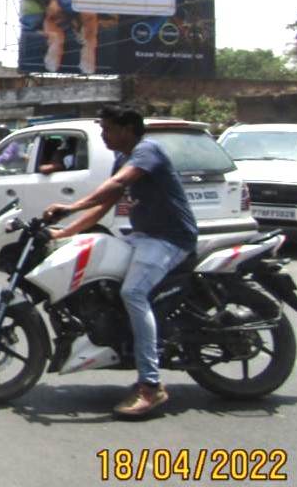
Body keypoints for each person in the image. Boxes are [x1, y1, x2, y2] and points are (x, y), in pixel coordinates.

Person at [43, 105, 197, 417]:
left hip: (170, 239)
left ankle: (151, 386)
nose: (103, 136)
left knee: (133, 293)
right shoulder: (123, 157)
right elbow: (106, 205)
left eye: (108, 130)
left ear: (127, 129)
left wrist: (71, 206)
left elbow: (114, 186)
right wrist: (64, 234)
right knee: (104, 277)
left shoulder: (146, 151)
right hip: (144, 236)